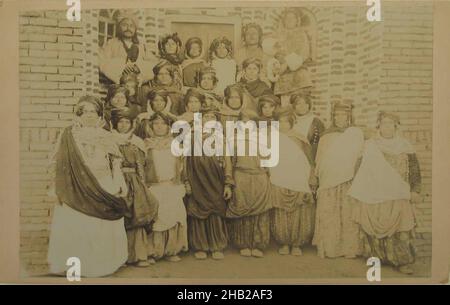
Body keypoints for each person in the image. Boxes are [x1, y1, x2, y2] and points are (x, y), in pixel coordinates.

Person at [47, 96, 129, 277]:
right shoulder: (68, 134)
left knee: (101, 225)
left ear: (99, 114)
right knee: (77, 225)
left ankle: (101, 264)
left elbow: (115, 162)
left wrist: (119, 182)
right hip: (75, 187)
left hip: (103, 184)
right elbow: (57, 162)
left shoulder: (107, 136)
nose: (89, 115)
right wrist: (56, 187)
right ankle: (75, 265)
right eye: (85, 112)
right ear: (78, 114)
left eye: (93, 111)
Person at [349, 111, 422, 274]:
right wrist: (359, 188)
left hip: (399, 193)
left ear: (396, 126)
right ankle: (377, 259)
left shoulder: (404, 146)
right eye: (383, 123)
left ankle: (402, 262)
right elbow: (359, 168)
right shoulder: (370, 145)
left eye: (390, 123)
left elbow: (415, 169)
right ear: (378, 126)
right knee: (374, 226)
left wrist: (415, 189)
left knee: (400, 228)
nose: (387, 126)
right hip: (374, 193)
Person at [313, 102, 364, 259]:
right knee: (329, 213)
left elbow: (360, 156)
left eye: (343, 115)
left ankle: (349, 248)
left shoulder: (355, 133)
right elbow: (319, 159)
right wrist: (317, 177)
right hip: (329, 180)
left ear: (349, 117)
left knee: (347, 214)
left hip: (348, 178)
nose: (339, 118)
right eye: (336, 115)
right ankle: (330, 248)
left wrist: (355, 175)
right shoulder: (326, 135)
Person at [110, 107, 159, 267]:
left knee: (137, 214)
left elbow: (141, 165)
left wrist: (142, 184)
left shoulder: (136, 141)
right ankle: (120, 257)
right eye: (120, 122)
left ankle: (139, 254)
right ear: (115, 124)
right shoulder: (109, 140)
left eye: (127, 122)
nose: (123, 125)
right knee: (120, 217)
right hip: (115, 181)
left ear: (131, 124)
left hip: (134, 181)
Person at [184, 105, 234, 260]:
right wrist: (186, 181)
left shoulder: (221, 138)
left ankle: (216, 245)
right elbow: (184, 161)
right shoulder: (191, 137)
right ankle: (201, 246)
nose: (210, 120)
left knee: (216, 211)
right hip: (197, 179)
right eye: (206, 117)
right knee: (198, 211)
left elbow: (227, 161)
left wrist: (227, 183)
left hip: (215, 180)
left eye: (213, 117)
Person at [226, 110, 273, 258]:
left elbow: (270, 160)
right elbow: (228, 163)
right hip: (241, 176)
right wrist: (229, 181)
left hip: (260, 177)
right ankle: (244, 244)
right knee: (242, 210)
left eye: (250, 122)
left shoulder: (264, 138)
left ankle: (259, 244)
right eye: (243, 121)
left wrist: (268, 175)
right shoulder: (232, 139)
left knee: (260, 212)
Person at [270, 106, 316, 256]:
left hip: (298, 178)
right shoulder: (271, 137)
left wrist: (311, 176)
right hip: (279, 177)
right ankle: (283, 243)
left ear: (291, 122)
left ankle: (297, 243)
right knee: (281, 210)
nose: (283, 125)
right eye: (280, 122)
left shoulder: (300, 138)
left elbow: (309, 160)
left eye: (286, 122)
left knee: (299, 210)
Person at [143, 112, 189, 262]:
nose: (159, 127)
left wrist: (183, 183)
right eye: (156, 123)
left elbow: (183, 167)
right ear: (151, 126)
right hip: (154, 186)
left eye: (163, 124)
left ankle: (172, 250)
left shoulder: (176, 144)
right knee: (156, 219)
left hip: (172, 185)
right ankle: (154, 252)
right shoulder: (145, 145)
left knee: (174, 216)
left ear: (168, 127)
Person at [99, 10, 158, 84]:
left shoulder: (142, 46)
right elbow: (102, 61)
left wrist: (139, 67)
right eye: (124, 25)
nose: (128, 28)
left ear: (135, 29)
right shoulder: (111, 43)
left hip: (137, 83)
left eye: (131, 26)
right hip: (118, 85)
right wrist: (121, 67)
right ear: (119, 27)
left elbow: (153, 63)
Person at [267, 8, 315, 96]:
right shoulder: (278, 34)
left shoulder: (301, 34)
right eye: (287, 18)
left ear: (297, 21)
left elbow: (304, 53)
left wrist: (287, 64)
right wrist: (276, 65)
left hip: (298, 71)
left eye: (292, 18)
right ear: (283, 21)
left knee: (299, 101)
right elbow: (273, 51)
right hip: (282, 72)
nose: (289, 20)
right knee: (285, 103)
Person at [290, 93, 325, 159]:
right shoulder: (290, 121)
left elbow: (321, 145)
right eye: (298, 104)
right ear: (294, 106)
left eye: (305, 104)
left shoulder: (316, 122)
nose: (302, 106)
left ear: (309, 106)